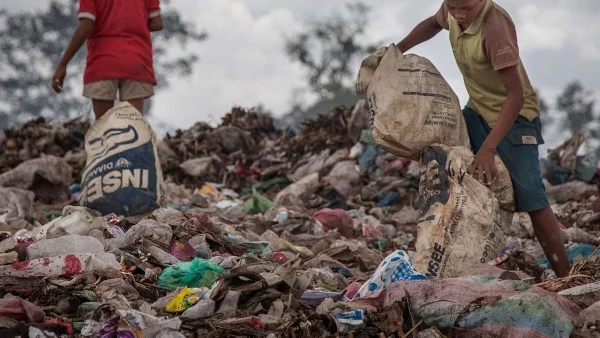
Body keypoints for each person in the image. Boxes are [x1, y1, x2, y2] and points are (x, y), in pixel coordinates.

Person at [396, 0, 570, 277]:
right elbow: (432, 23)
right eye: (453, 8)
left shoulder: (494, 27)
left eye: (467, 8)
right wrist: (398, 49)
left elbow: (516, 96)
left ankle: (566, 276)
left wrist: (488, 147)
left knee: (531, 198)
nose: (460, 15)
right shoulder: (452, 10)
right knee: (449, 167)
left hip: (514, 118)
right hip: (477, 111)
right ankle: (455, 261)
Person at [52, 0, 164, 119]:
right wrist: (134, 23)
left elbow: (86, 25)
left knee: (103, 126)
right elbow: (157, 23)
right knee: (134, 126)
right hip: (136, 60)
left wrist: (63, 64)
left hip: (103, 62)